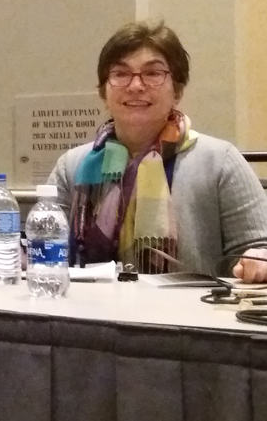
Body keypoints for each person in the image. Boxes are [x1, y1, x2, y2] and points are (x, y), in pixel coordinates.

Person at [48, 21, 267, 282]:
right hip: (90, 317)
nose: (136, 86)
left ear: (177, 90)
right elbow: (44, 246)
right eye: (120, 74)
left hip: (188, 318)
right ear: (103, 92)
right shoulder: (72, 166)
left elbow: (258, 252)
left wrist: (258, 260)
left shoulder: (220, 162)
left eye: (153, 73)